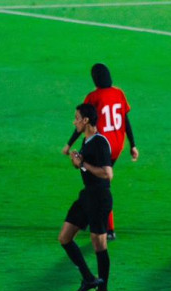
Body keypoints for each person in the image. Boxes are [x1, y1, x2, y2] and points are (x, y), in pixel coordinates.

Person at [61, 63, 138, 240]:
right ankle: (97, 222)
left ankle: (107, 229)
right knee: (99, 184)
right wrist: (132, 145)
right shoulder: (119, 93)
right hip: (117, 145)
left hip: (101, 146)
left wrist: (69, 144)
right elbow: (125, 119)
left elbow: (83, 122)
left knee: (98, 185)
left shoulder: (93, 96)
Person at [58, 103, 114, 291]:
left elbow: (107, 174)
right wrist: (78, 163)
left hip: (99, 198)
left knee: (99, 244)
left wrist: (83, 163)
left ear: (86, 120)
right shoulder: (86, 141)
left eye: (77, 118)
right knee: (65, 237)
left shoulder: (100, 142)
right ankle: (89, 278)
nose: (74, 122)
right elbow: (87, 168)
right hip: (87, 196)